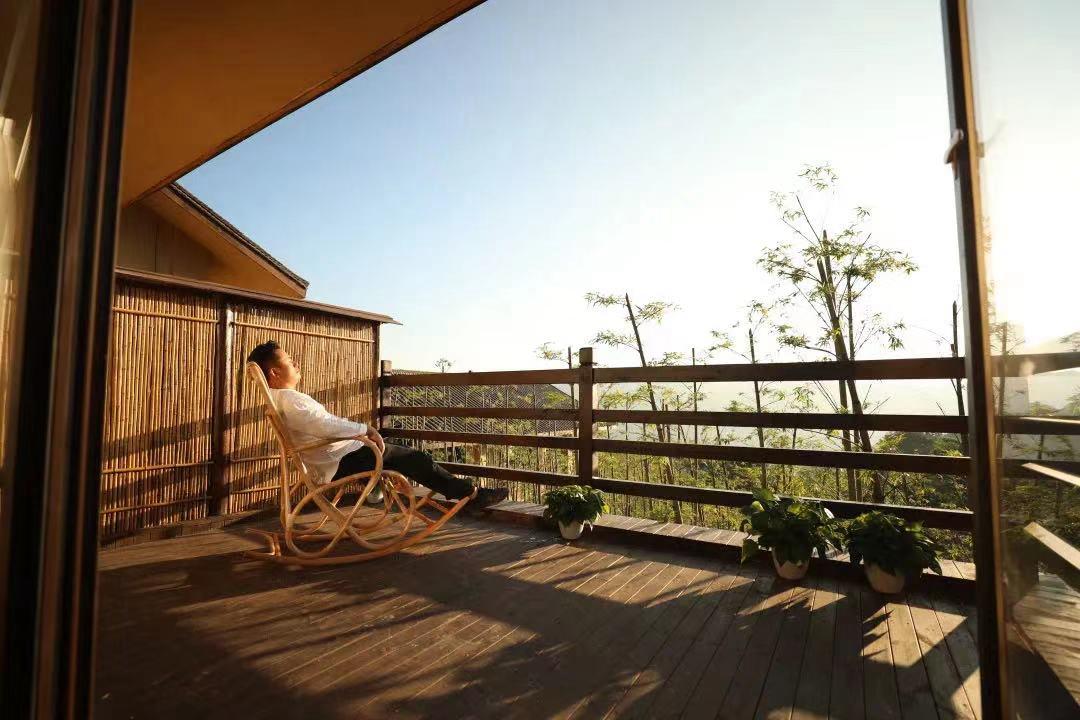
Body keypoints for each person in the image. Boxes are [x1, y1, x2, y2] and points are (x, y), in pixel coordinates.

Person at [246, 340, 508, 509]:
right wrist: (366, 429)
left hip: (338, 458)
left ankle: (377, 487)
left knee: (399, 452)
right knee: (416, 458)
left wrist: (362, 433)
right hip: (343, 461)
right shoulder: (291, 400)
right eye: (289, 361)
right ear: (274, 373)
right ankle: (472, 495)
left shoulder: (281, 400)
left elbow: (322, 426)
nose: (296, 363)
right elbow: (323, 425)